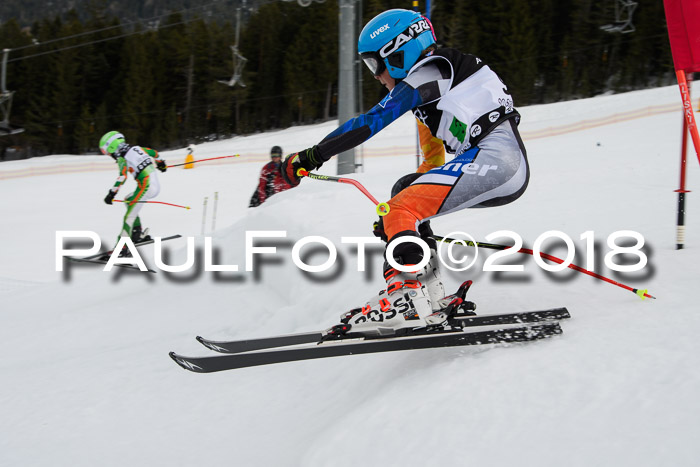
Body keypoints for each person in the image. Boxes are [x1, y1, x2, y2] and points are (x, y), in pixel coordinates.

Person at [282, 9, 529, 335]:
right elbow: (431, 164)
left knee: (401, 206)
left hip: (497, 160)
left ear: (398, 52)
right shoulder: (430, 91)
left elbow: (370, 122)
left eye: (375, 64)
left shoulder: (433, 71)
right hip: (491, 162)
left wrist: (313, 155)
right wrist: (400, 227)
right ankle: (430, 296)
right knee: (403, 193)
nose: (375, 76)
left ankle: (404, 295)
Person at [99, 131, 167, 257]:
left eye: (106, 151)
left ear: (112, 147)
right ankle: (136, 234)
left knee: (128, 217)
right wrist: (161, 163)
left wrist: (111, 194)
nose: (108, 154)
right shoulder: (137, 148)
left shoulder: (121, 157)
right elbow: (155, 153)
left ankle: (121, 248)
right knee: (128, 199)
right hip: (152, 186)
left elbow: (122, 176)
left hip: (146, 188)